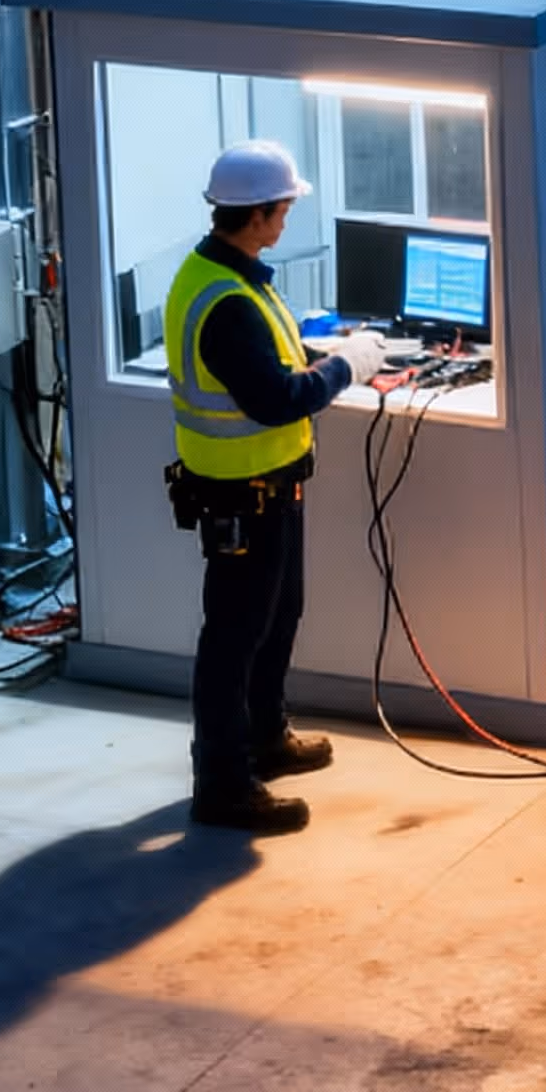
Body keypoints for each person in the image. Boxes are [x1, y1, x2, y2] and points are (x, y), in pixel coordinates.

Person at [168, 138, 358, 836]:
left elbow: (275, 361)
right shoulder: (227, 301)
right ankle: (221, 784)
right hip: (240, 493)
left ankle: (265, 738)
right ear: (259, 214)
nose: (286, 220)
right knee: (235, 636)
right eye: (283, 208)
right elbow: (274, 399)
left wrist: (325, 355)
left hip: (269, 486)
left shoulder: (233, 274)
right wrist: (346, 370)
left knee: (279, 616)